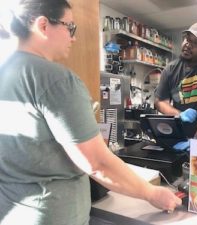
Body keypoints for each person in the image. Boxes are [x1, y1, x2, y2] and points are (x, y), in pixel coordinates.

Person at [0, 1, 181, 225]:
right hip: (52, 216)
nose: (73, 37)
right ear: (43, 25)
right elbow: (96, 162)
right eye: (70, 27)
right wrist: (152, 193)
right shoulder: (56, 79)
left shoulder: (5, 71)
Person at [154, 21, 197, 145]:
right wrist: (179, 114)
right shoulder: (170, 69)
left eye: (196, 43)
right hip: (181, 139)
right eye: (187, 39)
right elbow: (160, 101)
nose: (188, 45)